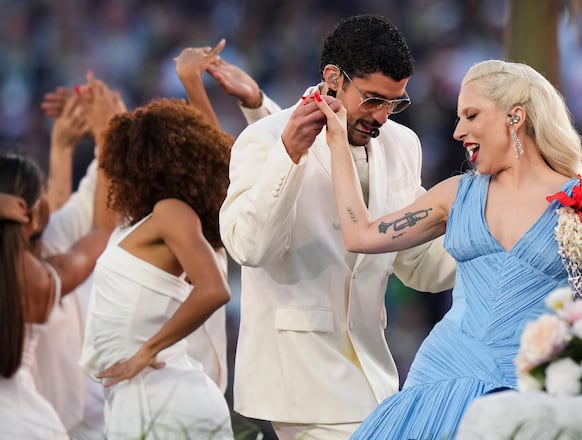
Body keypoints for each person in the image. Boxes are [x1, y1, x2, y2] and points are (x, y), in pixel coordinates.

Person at [314, 59, 582, 439]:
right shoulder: (456, 194)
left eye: (472, 115)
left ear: (515, 117)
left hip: (534, 387)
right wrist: (336, 141)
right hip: (441, 377)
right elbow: (360, 236)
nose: (459, 131)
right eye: (459, 118)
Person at [219, 14, 455, 439]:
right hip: (298, 378)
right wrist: (288, 156)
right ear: (333, 77)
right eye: (372, 99)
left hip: (375, 376)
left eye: (393, 103)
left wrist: (496, 237)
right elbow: (249, 248)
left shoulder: (403, 144)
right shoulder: (265, 139)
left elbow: (417, 265)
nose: (382, 117)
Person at [79, 97, 234, 439]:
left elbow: (214, 289)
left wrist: (148, 350)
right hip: (138, 395)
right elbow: (99, 226)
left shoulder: (172, 212)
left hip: (159, 394)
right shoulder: (137, 224)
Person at [0, 151, 113, 439]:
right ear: (35, 216)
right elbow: (102, 229)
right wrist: (106, 141)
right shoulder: (36, 278)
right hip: (30, 422)